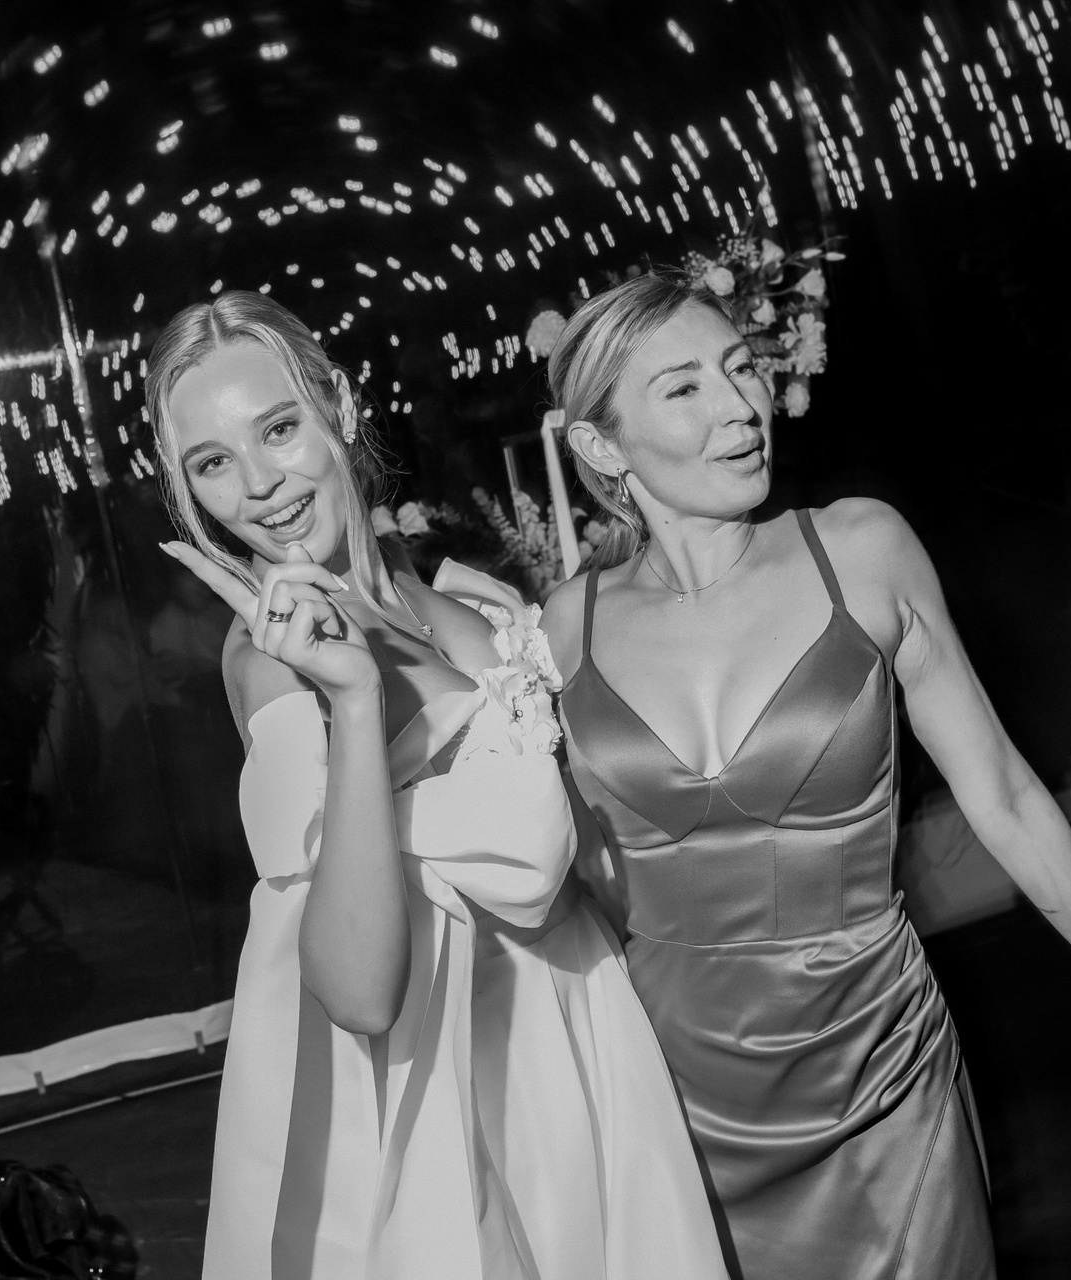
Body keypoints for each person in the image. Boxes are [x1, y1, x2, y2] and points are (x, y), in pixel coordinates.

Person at [538, 272, 1071, 1280]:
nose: (740, 407)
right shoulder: (563, 631)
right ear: (601, 446)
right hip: (672, 1097)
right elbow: (560, 886)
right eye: (685, 388)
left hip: (876, 1069)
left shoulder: (859, 551)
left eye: (741, 369)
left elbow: (1002, 793)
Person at [146, 291, 728, 1280]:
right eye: (212, 463)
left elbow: (583, 845)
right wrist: (356, 700)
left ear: (339, 408)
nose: (258, 485)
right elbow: (358, 992)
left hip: (585, 1037)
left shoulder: (433, 592)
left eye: (278, 429)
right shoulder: (276, 665)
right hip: (468, 1099)